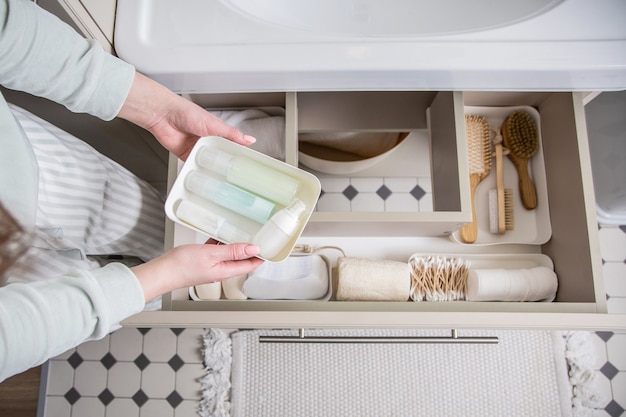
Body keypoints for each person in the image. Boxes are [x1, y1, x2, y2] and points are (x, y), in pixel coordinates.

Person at [0, 0, 264, 382]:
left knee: (150, 227)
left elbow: (10, 31)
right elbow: (16, 333)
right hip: (12, 281)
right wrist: (164, 276)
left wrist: (157, 111)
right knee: (145, 287)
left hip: (27, 162)